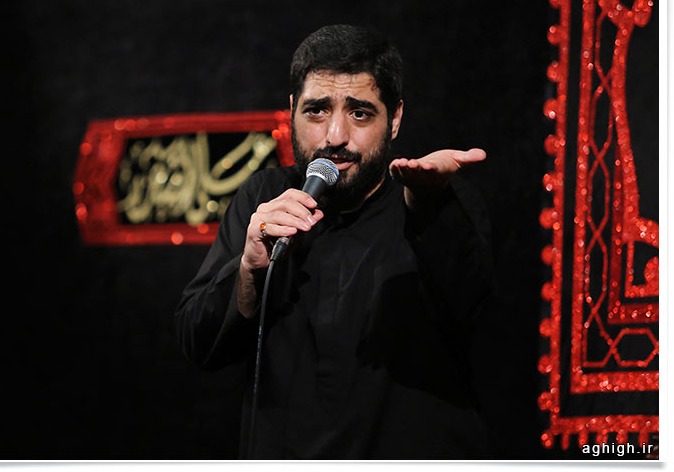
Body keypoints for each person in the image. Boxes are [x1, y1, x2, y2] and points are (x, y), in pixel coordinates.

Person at [175, 24, 494, 459]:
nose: (335, 136)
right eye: (317, 111)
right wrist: (248, 269)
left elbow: (479, 321)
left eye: (360, 113)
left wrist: (431, 207)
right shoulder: (263, 199)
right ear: (292, 111)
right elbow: (197, 344)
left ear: (395, 119)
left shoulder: (435, 200)